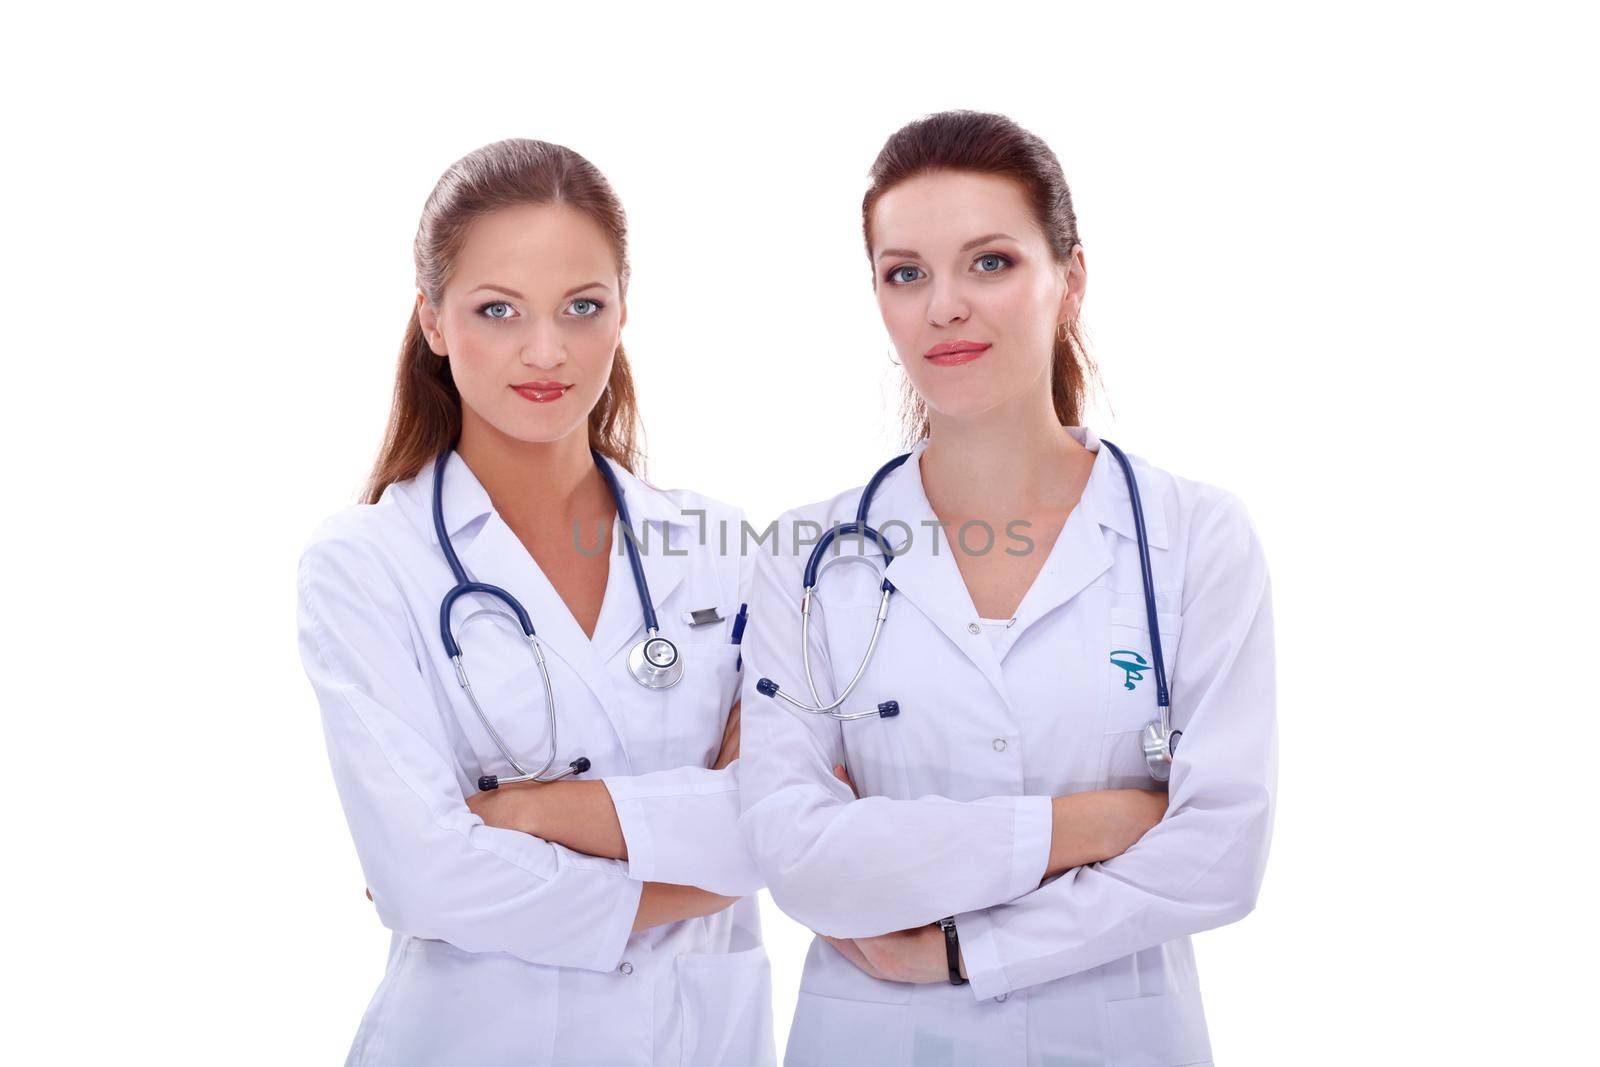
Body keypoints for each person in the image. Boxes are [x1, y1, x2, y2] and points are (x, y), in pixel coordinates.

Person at [738, 110, 1277, 1066]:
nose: (945, 305)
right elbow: (798, 855)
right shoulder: (807, 555)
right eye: (906, 273)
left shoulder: (1194, 536)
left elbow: (1221, 856)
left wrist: (961, 946)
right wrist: (1095, 823)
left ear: (1070, 279)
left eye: (990, 262)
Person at [296, 138, 773, 1066]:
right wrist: (703, 874)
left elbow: (786, 816)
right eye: (498, 310)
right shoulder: (365, 564)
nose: (546, 350)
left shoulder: (716, 545)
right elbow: (428, 875)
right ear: (432, 319)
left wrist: (524, 813)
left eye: (582, 307)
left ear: (623, 312)